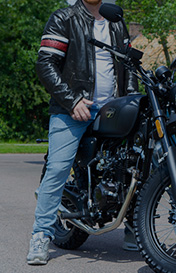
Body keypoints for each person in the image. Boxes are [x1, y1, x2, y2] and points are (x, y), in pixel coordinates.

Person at [27, 0, 138, 265]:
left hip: (113, 107)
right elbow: (45, 64)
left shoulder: (116, 19)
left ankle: (136, 226)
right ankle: (41, 234)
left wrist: (132, 97)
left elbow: (128, 65)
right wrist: (72, 100)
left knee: (136, 162)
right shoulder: (63, 18)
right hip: (72, 109)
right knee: (57, 168)